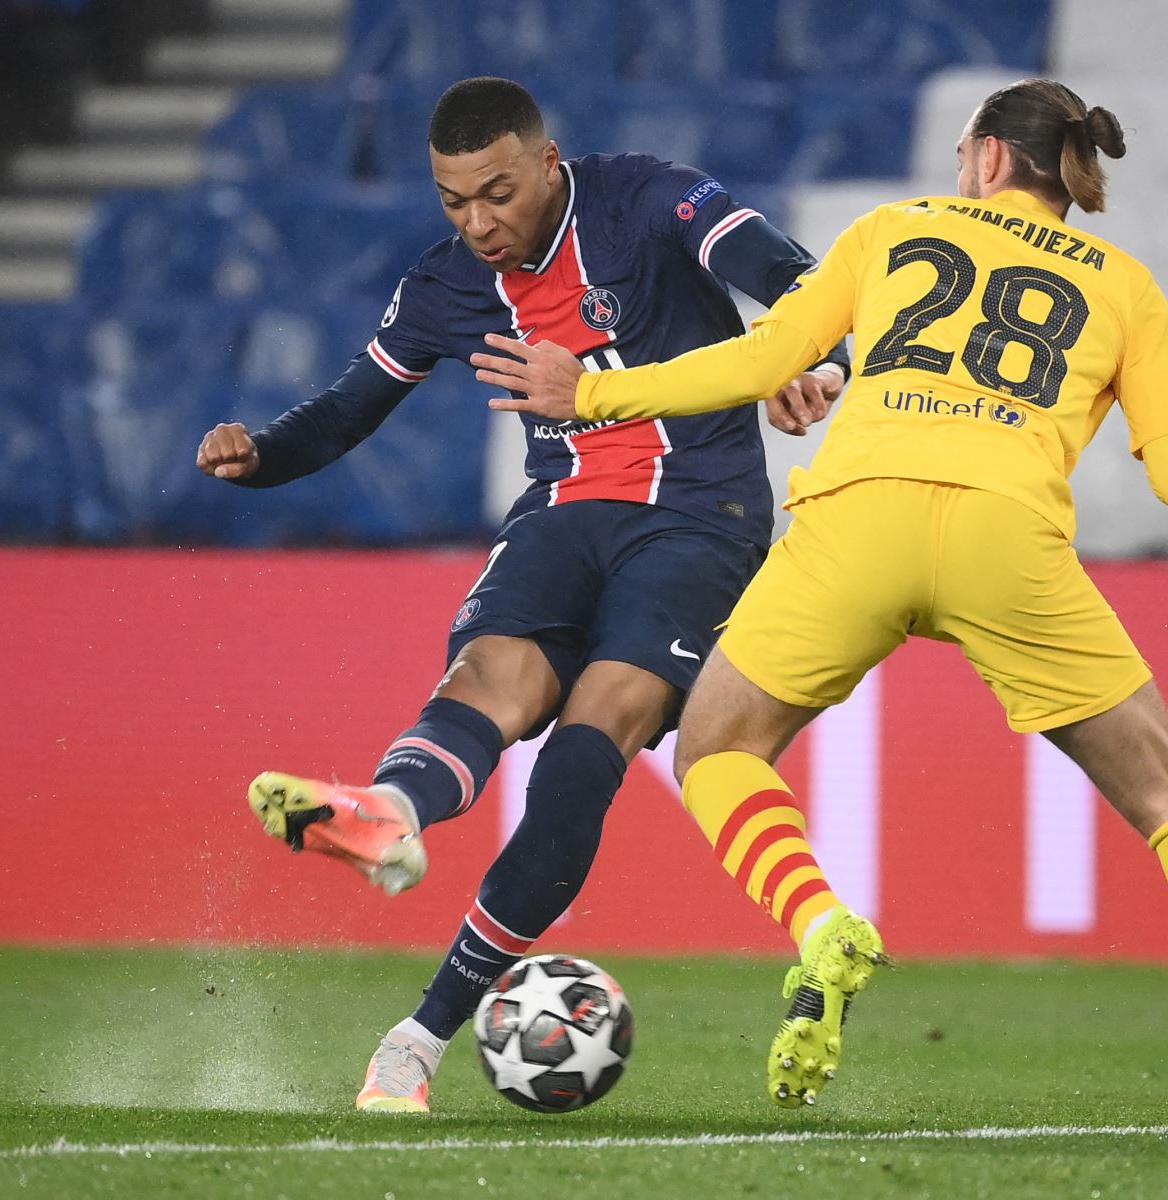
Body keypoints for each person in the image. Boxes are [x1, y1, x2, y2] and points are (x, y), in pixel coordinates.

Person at [485, 77, 1168, 1131]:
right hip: (1004, 540)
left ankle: (821, 921)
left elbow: (766, 358)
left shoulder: (890, 231)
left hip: (858, 518)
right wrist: (1166, 399)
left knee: (716, 747)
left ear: (986, 158)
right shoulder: (1125, 286)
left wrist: (593, 393)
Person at [194, 76, 849, 1114]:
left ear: (548, 163)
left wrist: (819, 352)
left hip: (698, 517)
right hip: (561, 512)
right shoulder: (446, 285)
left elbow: (785, 270)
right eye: (454, 201)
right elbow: (348, 411)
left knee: (591, 747)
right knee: (487, 676)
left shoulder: (648, 200)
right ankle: (388, 812)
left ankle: (417, 1039)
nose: (478, 222)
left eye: (497, 192)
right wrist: (261, 454)